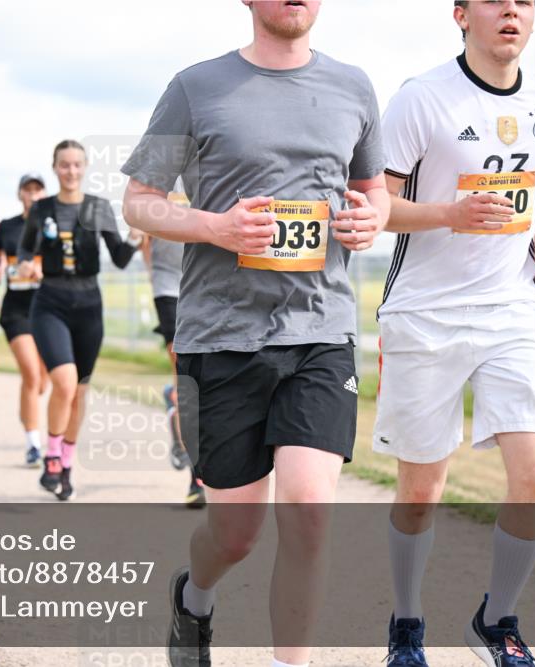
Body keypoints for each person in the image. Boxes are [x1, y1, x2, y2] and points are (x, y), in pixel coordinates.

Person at [121, 2, 389, 665]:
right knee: (234, 534)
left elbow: (373, 191)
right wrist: (215, 226)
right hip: (222, 337)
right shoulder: (195, 87)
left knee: (309, 509)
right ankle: (195, 599)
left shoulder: (353, 86)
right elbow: (138, 199)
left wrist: (368, 220)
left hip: (321, 331)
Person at [372, 3, 535, 666]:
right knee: (422, 489)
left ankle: (498, 617)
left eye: (525, 0)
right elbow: (375, 206)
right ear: (460, 14)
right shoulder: (421, 99)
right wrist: (450, 212)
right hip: (425, 314)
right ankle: (405, 621)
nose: (511, 9)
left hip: (512, 308)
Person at [18, 139, 144, 501]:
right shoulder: (41, 209)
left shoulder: (99, 208)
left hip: (89, 304)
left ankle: (66, 465)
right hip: (50, 302)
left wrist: (135, 239)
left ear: (84, 167)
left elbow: (119, 257)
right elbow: (27, 249)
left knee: (80, 392)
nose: (70, 171)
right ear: (55, 168)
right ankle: (52, 456)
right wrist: (26, 263)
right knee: (65, 382)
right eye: (64, 165)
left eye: (76, 165)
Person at [143, 187, 205, 509]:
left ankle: (174, 406)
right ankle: (197, 479)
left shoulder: (208, 167)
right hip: (168, 287)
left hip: (205, 284)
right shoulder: (154, 182)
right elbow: (143, 244)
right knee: (186, 373)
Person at [0, 173, 50, 465]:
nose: (33, 194)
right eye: (28, 190)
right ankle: (33, 443)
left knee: (43, 383)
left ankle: (28, 412)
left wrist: (43, 273)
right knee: (31, 374)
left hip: (48, 309)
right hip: (16, 310)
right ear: (20, 195)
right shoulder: (6, 227)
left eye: (38, 190)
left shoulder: (53, 227)